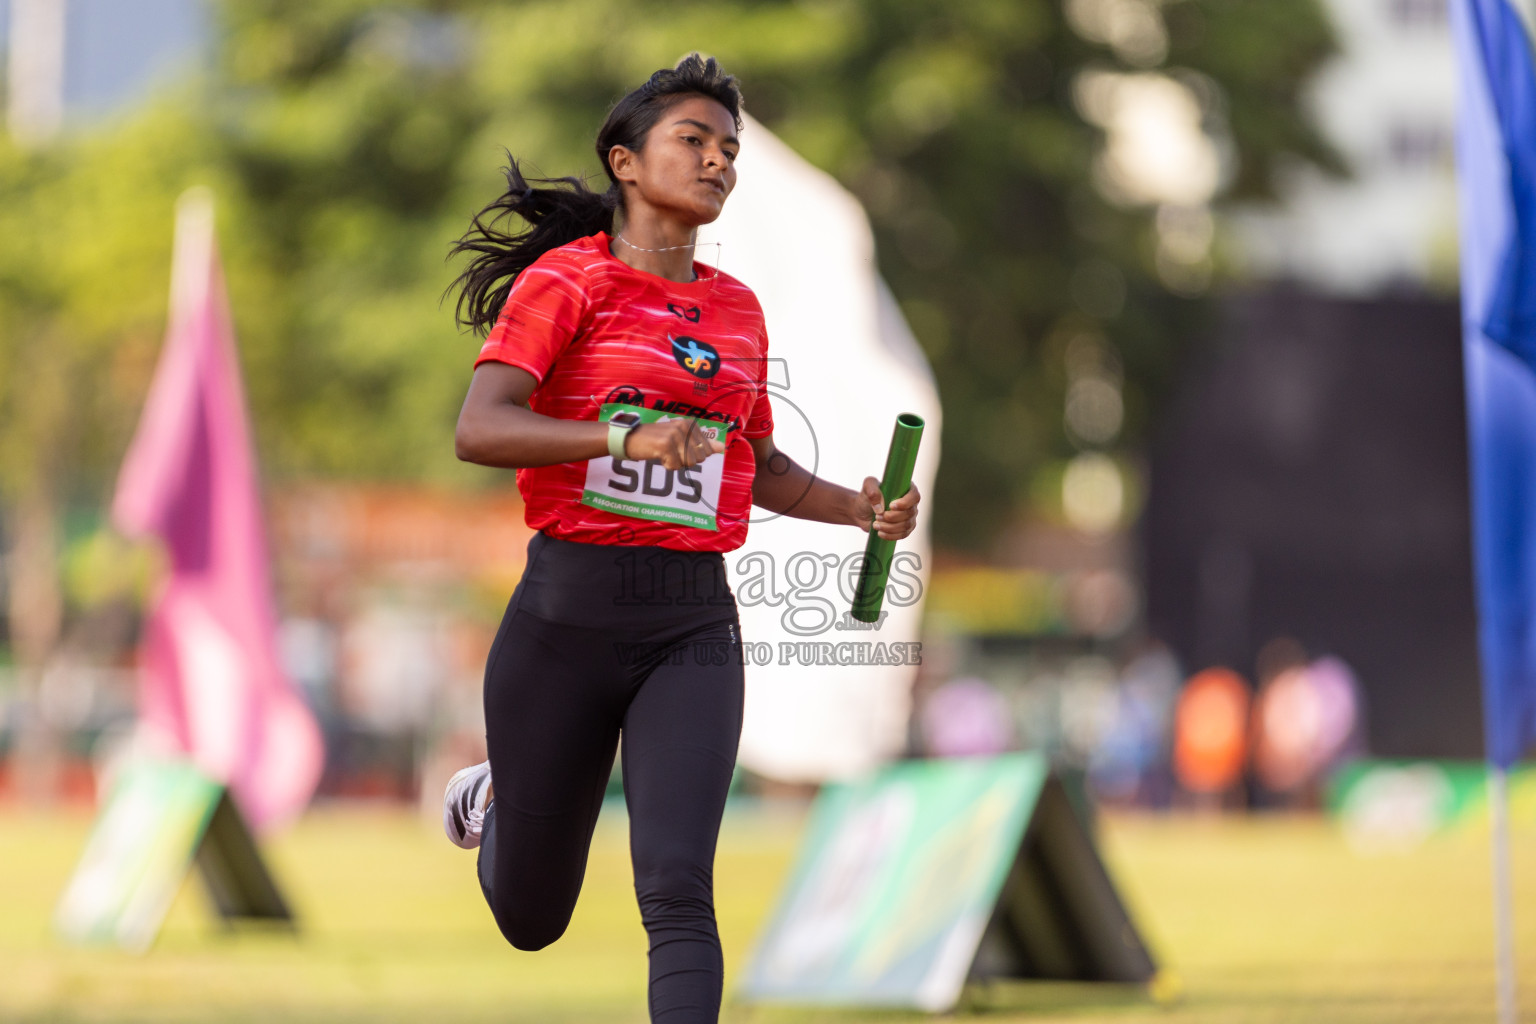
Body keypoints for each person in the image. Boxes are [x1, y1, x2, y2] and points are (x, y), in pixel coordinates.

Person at [440, 54, 919, 1024]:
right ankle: (499, 795)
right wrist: (620, 436)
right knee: (532, 917)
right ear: (625, 161)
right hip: (561, 621)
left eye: (729, 149)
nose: (718, 163)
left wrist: (858, 508)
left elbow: (759, 465)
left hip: (690, 626)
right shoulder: (566, 282)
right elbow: (480, 428)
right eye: (693, 142)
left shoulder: (737, 309)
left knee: (677, 888)